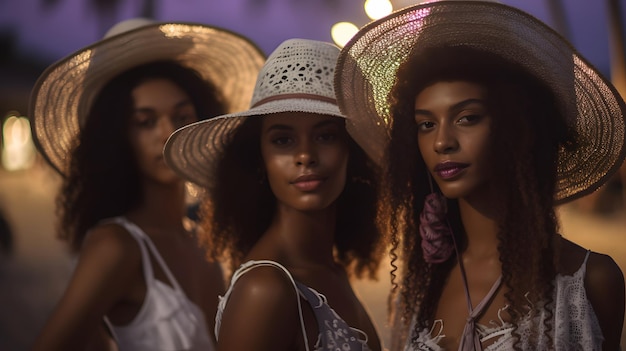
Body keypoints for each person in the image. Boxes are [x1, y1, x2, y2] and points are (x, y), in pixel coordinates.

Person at [335, 1, 626, 350]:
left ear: (517, 127)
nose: (442, 141)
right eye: (426, 124)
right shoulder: (418, 290)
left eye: (467, 117)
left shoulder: (590, 280)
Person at [29, 18, 265, 351]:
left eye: (182, 116)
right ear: (118, 138)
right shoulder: (116, 246)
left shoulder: (208, 242)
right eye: (145, 122)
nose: (168, 131)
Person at [163, 38, 385, 351]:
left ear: (353, 151)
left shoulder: (329, 269)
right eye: (283, 140)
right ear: (259, 159)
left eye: (325, 136)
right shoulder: (264, 289)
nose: (305, 155)